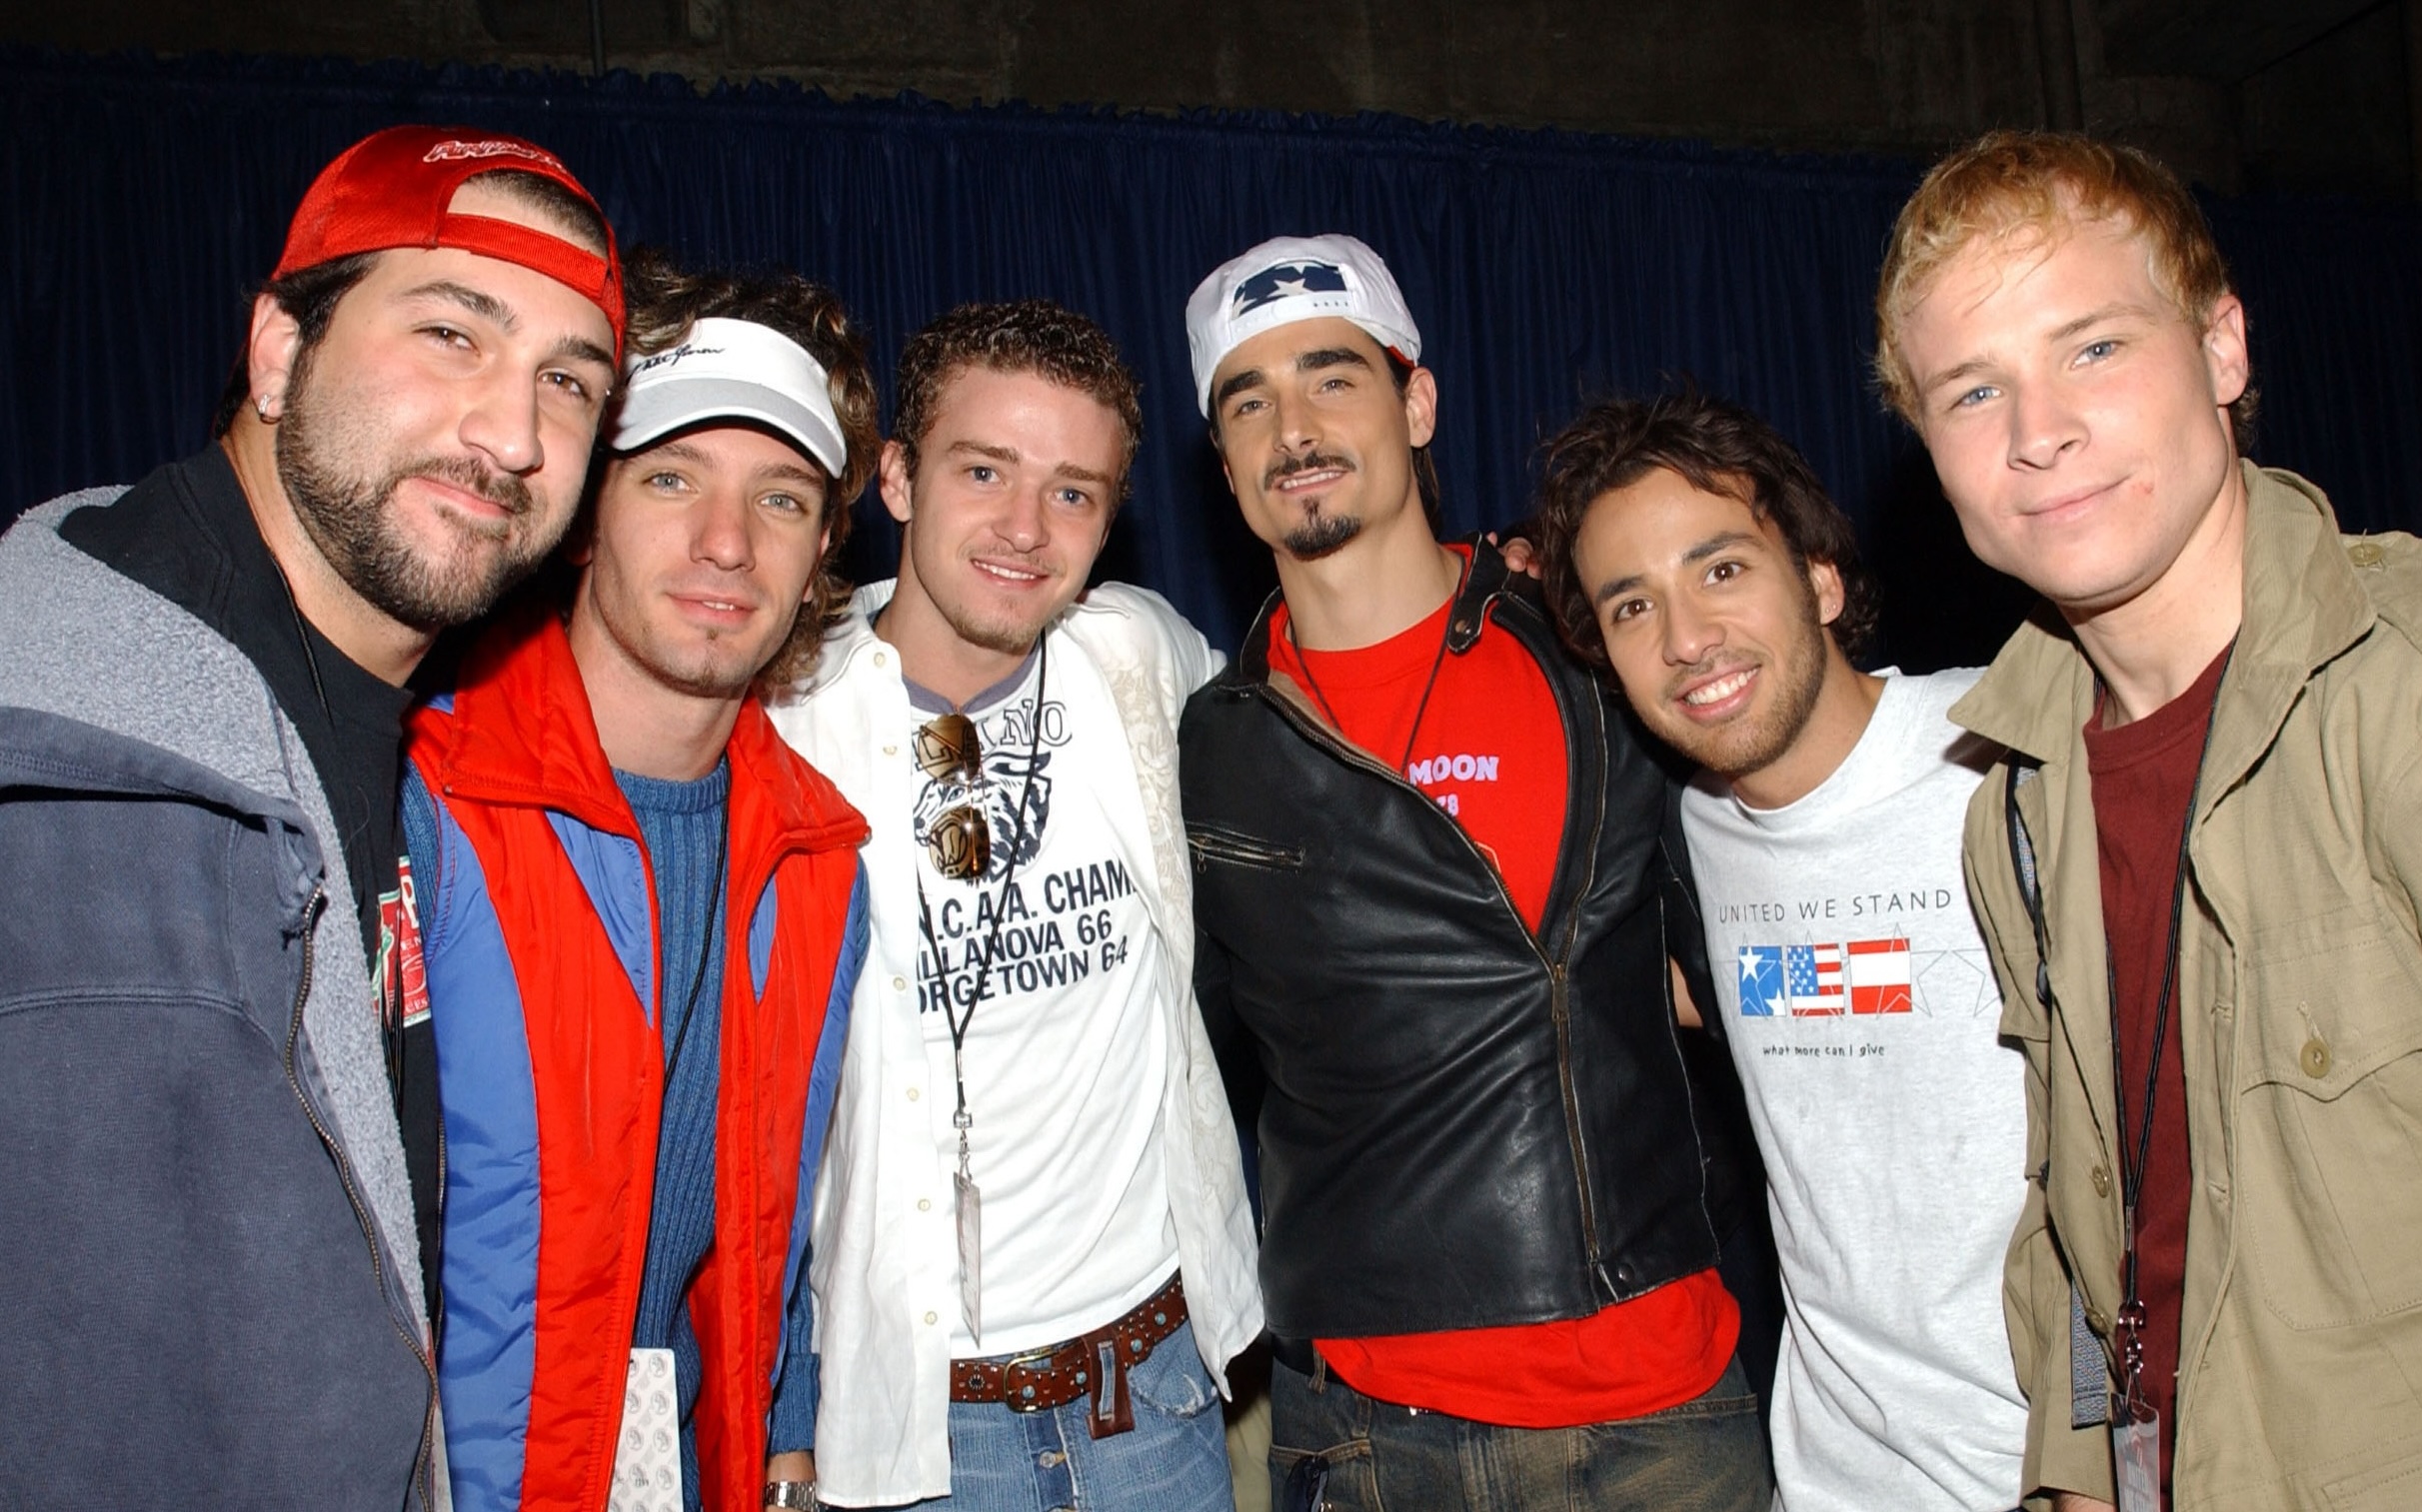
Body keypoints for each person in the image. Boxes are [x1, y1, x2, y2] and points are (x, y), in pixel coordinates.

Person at [0, 124, 623, 1507]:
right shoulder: (72, 775)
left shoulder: (379, 723)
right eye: (453, 334)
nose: (513, 434)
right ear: (279, 350)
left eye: (568, 382)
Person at [1179, 233, 1768, 1511]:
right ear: (1221, 462)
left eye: (1332, 377)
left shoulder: (1593, 647)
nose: (1294, 428)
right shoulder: (1210, 746)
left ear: (1417, 404)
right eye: (1247, 401)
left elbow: (1748, 926)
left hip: (1660, 1418)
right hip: (1367, 1436)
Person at [1878, 129, 2422, 1510]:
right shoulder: (2012, 799)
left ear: (2220, 348)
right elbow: (2084, 1214)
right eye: (1970, 390)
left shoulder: (2398, 690)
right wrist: (2077, 1465)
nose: (2035, 430)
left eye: (2093, 348)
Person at [403, 251, 877, 1512]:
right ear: (580, 510)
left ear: (822, 548)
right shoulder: (426, 801)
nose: (726, 543)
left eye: (780, 499)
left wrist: (782, 1437)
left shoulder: (817, 861)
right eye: (671, 478)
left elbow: (766, 1225)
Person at [768, 300, 1261, 1510]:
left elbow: (1326, 710)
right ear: (896, 477)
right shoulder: (780, 715)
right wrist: (780, 1409)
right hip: (915, 1430)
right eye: (984, 470)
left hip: (1154, 1395)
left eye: (1072, 491)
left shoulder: (1134, 657)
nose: (1025, 528)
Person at [1529, 386, 2030, 1512]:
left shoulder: (2007, 758)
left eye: (1719, 569)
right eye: (1630, 605)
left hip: (2067, 1464)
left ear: (1819, 578)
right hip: (1835, 1478)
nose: (1685, 639)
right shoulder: (1678, 836)